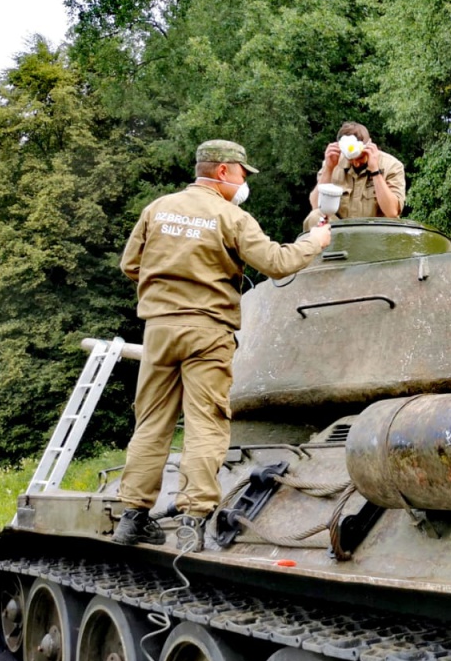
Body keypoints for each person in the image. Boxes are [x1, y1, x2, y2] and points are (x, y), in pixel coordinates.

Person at [113, 139, 332, 548]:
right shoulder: (232, 217)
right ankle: (192, 522)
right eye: (242, 173)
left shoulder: (157, 209)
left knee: (151, 423)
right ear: (222, 172)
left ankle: (132, 518)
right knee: (205, 424)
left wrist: (170, 285)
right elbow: (277, 263)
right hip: (207, 331)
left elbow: (131, 265)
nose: (245, 181)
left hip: (159, 329)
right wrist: (315, 242)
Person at [304, 121, 406, 230]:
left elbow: (392, 212)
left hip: (376, 231)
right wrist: (329, 169)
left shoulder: (392, 166)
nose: (356, 163)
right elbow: (316, 206)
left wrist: (375, 171)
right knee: (315, 217)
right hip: (340, 232)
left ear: (370, 146)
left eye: (360, 158)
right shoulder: (333, 162)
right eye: (351, 159)